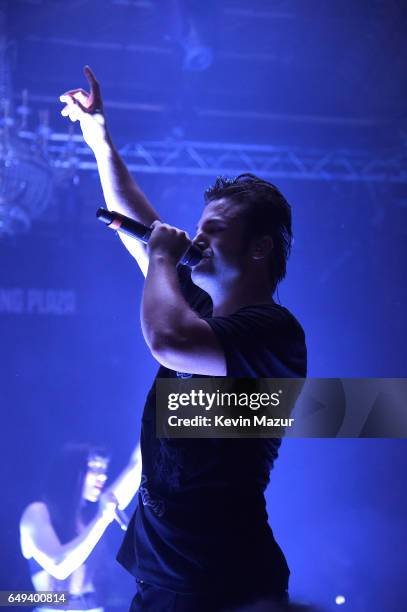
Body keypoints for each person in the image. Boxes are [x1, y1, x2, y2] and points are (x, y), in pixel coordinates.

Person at [59, 67, 307, 611]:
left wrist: (164, 258)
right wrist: (100, 139)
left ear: (259, 250)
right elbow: (140, 226)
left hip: (224, 586)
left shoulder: (273, 332)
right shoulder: (200, 305)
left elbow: (167, 339)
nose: (197, 237)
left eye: (214, 230)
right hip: (163, 578)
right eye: (198, 226)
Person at [20, 443, 141, 612]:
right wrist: (103, 518)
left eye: (104, 469)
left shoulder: (90, 515)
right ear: (71, 471)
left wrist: (157, 423)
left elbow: (135, 467)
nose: (103, 477)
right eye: (94, 468)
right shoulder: (37, 512)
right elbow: (59, 566)